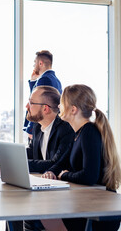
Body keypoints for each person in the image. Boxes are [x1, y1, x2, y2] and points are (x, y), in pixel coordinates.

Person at [39, 84, 121, 231]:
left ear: (73, 109)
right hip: (86, 204)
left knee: (46, 213)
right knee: (44, 212)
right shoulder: (77, 133)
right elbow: (61, 162)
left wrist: (65, 175)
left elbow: (89, 176)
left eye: (62, 103)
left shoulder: (89, 132)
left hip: (98, 211)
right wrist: (51, 172)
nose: (59, 106)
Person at [26, 86, 74, 173]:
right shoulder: (37, 126)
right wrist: (12, 157)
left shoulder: (66, 129)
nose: (27, 106)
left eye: (31, 103)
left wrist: (22, 164)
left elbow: (56, 164)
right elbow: (32, 152)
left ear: (45, 109)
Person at [23, 50, 62, 138]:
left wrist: (31, 129)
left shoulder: (44, 79)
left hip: (40, 128)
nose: (33, 66)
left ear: (40, 63)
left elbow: (37, 105)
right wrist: (33, 82)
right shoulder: (56, 80)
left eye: (34, 63)